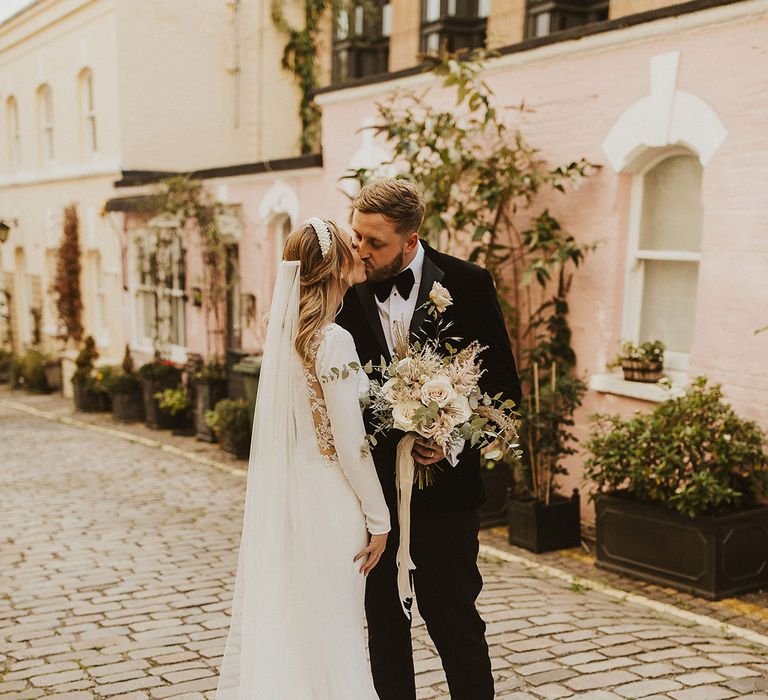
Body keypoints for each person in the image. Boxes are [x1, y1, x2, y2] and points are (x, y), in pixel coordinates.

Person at [337, 178, 522, 700]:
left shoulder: (468, 283)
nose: (363, 251)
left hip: (448, 500)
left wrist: (449, 434)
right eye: (358, 237)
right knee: (384, 630)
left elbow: (503, 388)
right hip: (369, 502)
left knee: (455, 622)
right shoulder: (343, 287)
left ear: (411, 240)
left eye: (376, 242)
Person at [215, 218, 390, 699]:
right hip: (332, 499)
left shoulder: (280, 329)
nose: (359, 251)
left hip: (290, 495)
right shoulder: (332, 339)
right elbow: (350, 445)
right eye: (349, 246)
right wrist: (380, 519)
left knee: (299, 623)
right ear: (332, 265)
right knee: (336, 627)